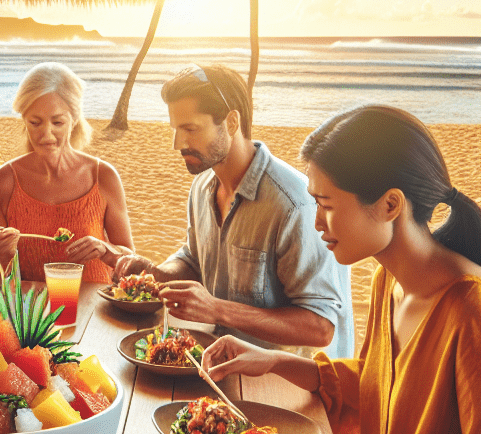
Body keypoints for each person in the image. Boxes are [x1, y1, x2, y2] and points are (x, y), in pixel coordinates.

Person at [201, 105, 481, 434]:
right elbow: (374, 387)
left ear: (390, 205)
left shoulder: (469, 313)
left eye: (326, 204)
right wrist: (274, 361)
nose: (317, 222)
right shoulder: (389, 281)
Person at [112, 64, 354, 358]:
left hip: (288, 383)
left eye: (190, 129)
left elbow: (320, 328)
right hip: (222, 360)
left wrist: (216, 309)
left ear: (231, 122)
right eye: (175, 129)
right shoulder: (203, 186)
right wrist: (152, 273)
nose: (178, 144)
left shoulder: (294, 204)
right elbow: (194, 261)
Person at [0, 62, 134, 283]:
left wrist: (106, 250)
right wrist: (0, 256)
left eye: (57, 122)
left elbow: (132, 261)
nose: (46, 134)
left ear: (75, 119)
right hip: (30, 314)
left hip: (94, 312)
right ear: (24, 119)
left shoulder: (103, 176)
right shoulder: (3, 181)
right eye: (35, 122)